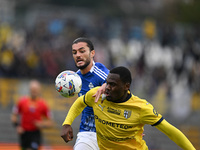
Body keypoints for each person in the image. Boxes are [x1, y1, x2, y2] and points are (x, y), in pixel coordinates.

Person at [61, 66, 196, 150]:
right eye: (107, 83)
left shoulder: (141, 108)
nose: (107, 87)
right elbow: (80, 102)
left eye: (113, 85)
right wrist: (67, 123)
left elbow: (171, 131)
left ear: (126, 86)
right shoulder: (97, 95)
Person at [64, 37, 109, 150]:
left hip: (110, 134)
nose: (78, 55)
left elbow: (123, 93)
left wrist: (107, 85)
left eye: (82, 51)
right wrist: (67, 123)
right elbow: (80, 104)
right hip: (87, 133)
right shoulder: (75, 79)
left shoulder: (101, 73)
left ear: (92, 53)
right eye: (74, 52)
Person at [11, 79, 53, 150]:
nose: (34, 91)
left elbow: (50, 122)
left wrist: (41, 124)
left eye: (36, 89)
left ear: (39, 90)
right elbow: (14, 115)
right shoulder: (22, 101)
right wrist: (17, 126)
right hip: (24, 133)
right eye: (33, 89)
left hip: (35, 133)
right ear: (29, 89)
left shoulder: (43, 104)